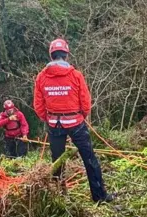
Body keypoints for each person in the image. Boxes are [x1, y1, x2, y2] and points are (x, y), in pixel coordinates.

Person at [33, 38, 113, 203]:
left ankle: (59, 196)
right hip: (76, 123)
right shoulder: (76, 75)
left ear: (51, 55)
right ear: (66, 55)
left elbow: (38, 104)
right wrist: (81, 116)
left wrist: (47, 118)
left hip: (54, 124)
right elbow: (85, 101)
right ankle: (99, 197)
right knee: (89, 158)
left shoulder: (41, 77)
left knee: (57, 161)